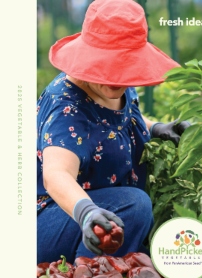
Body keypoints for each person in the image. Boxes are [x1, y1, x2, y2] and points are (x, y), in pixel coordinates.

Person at [37, 0, 190, 264]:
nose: (116, 79)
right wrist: (86, 212)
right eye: (107, 67)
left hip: (94, 213)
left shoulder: (115, 86)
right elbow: (56, 174)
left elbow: (121, 118)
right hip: (51, 217)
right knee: (133, 205)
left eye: (123, 68)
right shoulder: (67, 105)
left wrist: (156, 128)